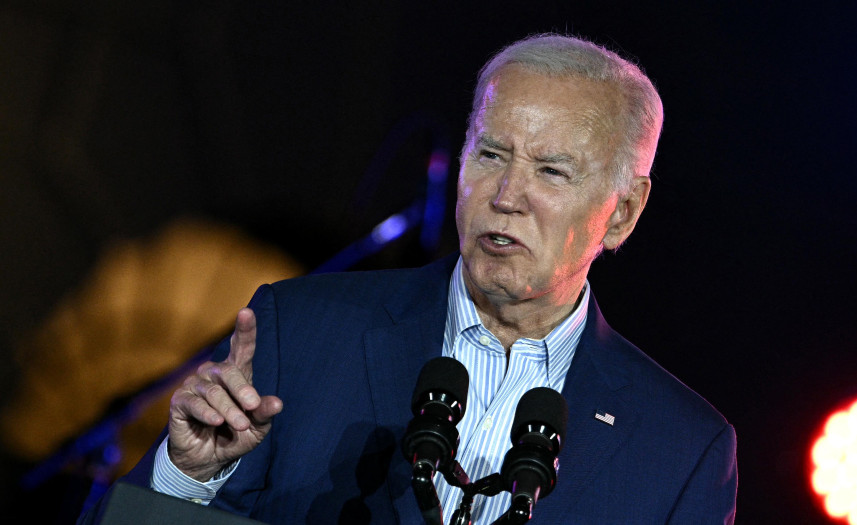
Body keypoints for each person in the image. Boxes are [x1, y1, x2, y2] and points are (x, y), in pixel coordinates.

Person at [87, 33, 737, 524]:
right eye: (489, 153)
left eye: (552, 171)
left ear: (622, 212)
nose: (506, 194)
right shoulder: (300, 331)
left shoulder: (680, 451)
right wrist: (186, 478)